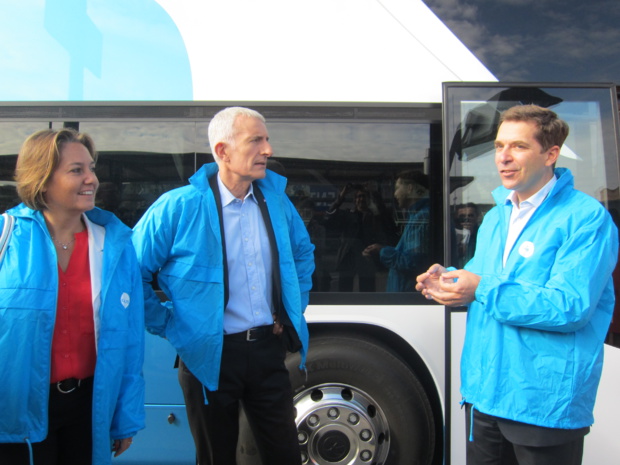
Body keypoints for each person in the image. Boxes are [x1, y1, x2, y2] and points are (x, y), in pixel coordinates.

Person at [416, 105, 618, 465]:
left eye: (519, 147)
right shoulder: (496, 216)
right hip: (485, 396)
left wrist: (480, 288)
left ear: (550, 154)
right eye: (498, 146)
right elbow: (482, 279)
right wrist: (447, 281)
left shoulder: (586, 218)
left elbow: (570, 306)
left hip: (543, 403)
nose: (504, 158)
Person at [132, 107, 315, 465]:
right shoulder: (178, 207)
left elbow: (303, 254)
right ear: (222, 151)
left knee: (286, 455)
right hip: (207, 358)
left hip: (267, 350)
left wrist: (291, 308)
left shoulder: (276, 202)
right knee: (216, 457)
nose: (268, 149)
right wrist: (170, 324)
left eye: (267, 139)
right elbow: (129, 273)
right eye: (256, 140)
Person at [0, 129, 145, 465]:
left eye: (91, 168)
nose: (92, 179)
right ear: (43, 179)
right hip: (15, 410)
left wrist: (126, 416)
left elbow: (130, 342)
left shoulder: (114, 247)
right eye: (76, 170)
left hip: (88, 408)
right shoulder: (7, 239)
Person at [364, 170, 430, 292]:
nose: (395, 194)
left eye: (397, 188)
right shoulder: (415, 215)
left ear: (410, 188)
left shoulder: (422, 217)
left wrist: (382, 252)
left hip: (408, 296)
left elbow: (412, 262)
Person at [326, 184, 392, 291]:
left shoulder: (376, 215)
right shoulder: (348, 214)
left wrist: (375, 210)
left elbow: (386, 228)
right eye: (358, 197)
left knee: (367, 290)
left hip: (368, 256)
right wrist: (341, 198)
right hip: (348, 256)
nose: (361, 200)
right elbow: (329, 216)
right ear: (354, 200)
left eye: (364, 197)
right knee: (344, 290)